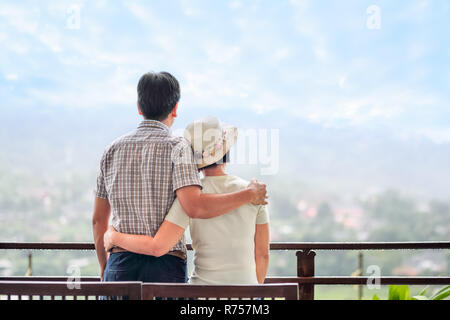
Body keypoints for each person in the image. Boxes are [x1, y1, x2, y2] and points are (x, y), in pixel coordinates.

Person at [92, 71, 268, 283]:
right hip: (165, 268)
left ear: (139, 107)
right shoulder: (179, 148)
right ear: (175, 108)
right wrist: (248, 195)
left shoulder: (111, 150)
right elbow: (194, 206)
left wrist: (105, 266)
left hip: (120, 264)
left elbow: (99, 219)